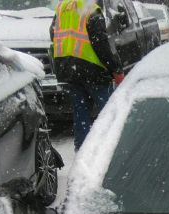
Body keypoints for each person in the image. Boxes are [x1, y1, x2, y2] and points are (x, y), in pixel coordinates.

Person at [50, 0, 124, 150]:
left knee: (80, 113)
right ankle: (114, 148)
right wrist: (116, 69)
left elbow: (53, 34)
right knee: (110, 111)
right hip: (93, 70)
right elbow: (100, 44)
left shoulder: (62, 8)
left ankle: (82, 150)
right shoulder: (91, 9)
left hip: (69, 69)